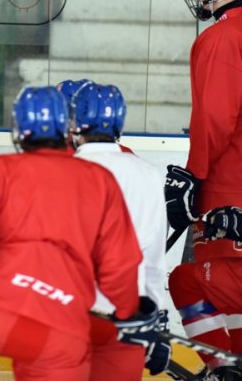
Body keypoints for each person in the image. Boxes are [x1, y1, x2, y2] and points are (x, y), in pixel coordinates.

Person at [0, 85, 149, 381]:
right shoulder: (99, 180)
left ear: (18, 127)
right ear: (68, 126)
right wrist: (129, 312)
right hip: (61, 335)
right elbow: (120, 264)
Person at [166, 0, 242, 380]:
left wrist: (195, 174)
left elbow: (215, 117)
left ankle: (225, 370)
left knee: (188, 282)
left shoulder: (220, 38)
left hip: (228, 188)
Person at [66, 81, 169, 380]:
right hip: (127, 321)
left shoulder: (59, 170)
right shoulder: (148, 174)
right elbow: (153, 258)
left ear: (74, 121)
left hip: (66, 320)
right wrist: (153, 321)